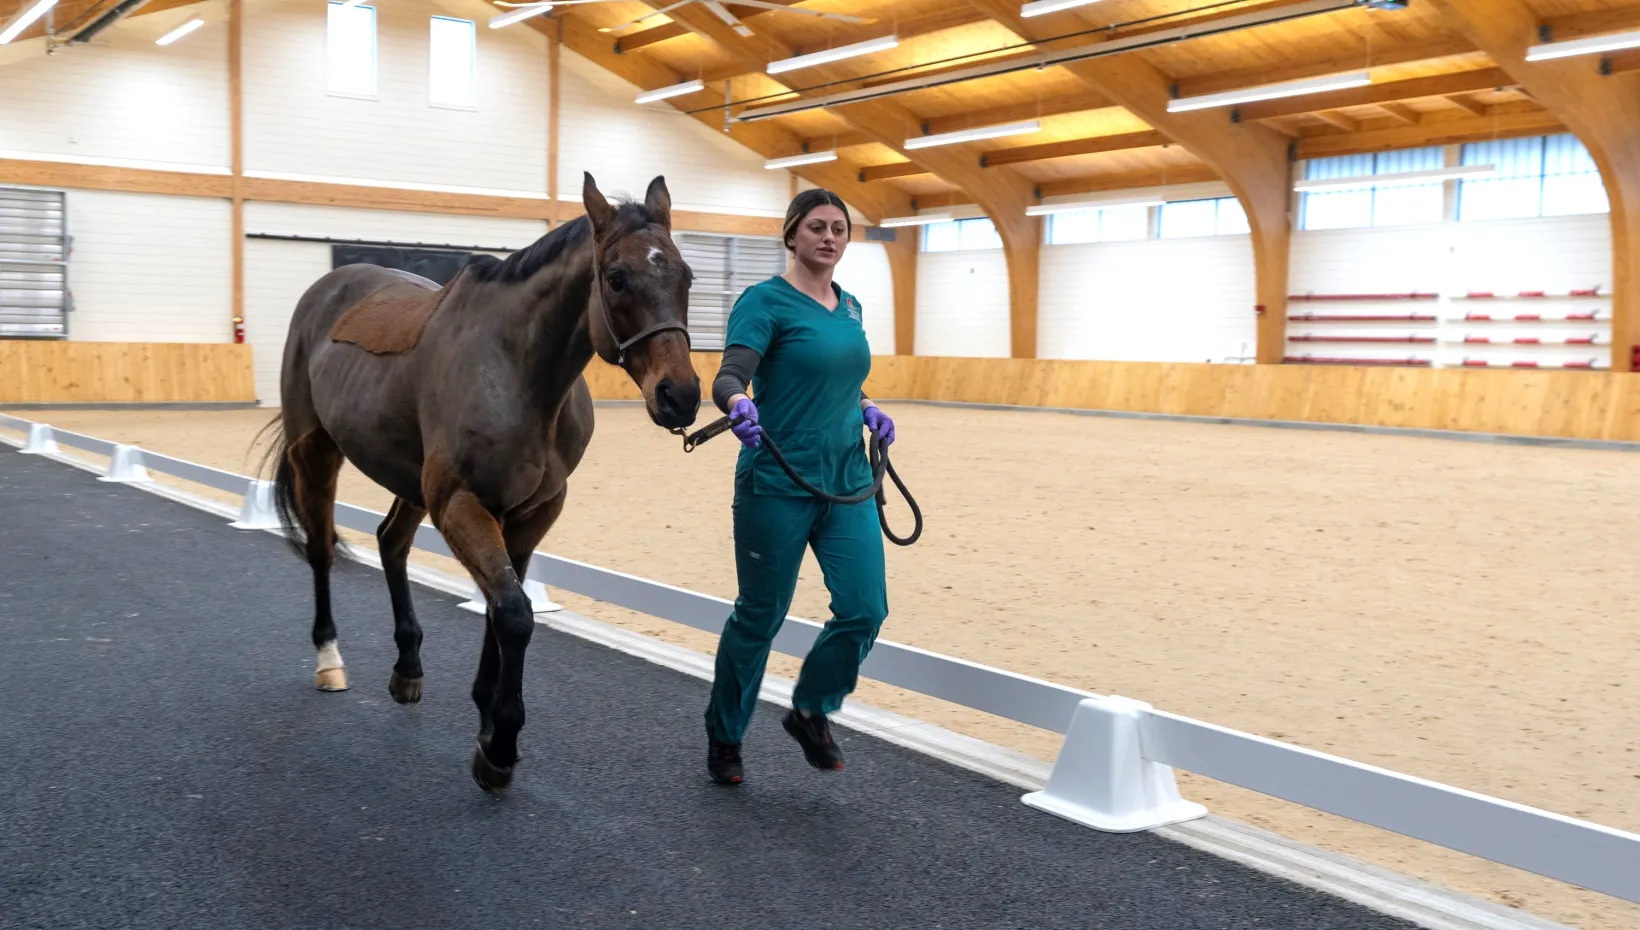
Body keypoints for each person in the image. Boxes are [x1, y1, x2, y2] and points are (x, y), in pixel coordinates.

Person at [702, 188, 897, 785]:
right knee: (761, 615)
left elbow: (835, 378)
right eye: (816, 226)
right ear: (792, 235)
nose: (829, 237)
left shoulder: (853, 307)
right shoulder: (764, 302)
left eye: (839, 228)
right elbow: (732, 373)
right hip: (778, 480)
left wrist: (866, 406)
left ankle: (812, 708)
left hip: (847, 482)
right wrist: (737, 402)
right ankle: (726, 736)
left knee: (865, 609)